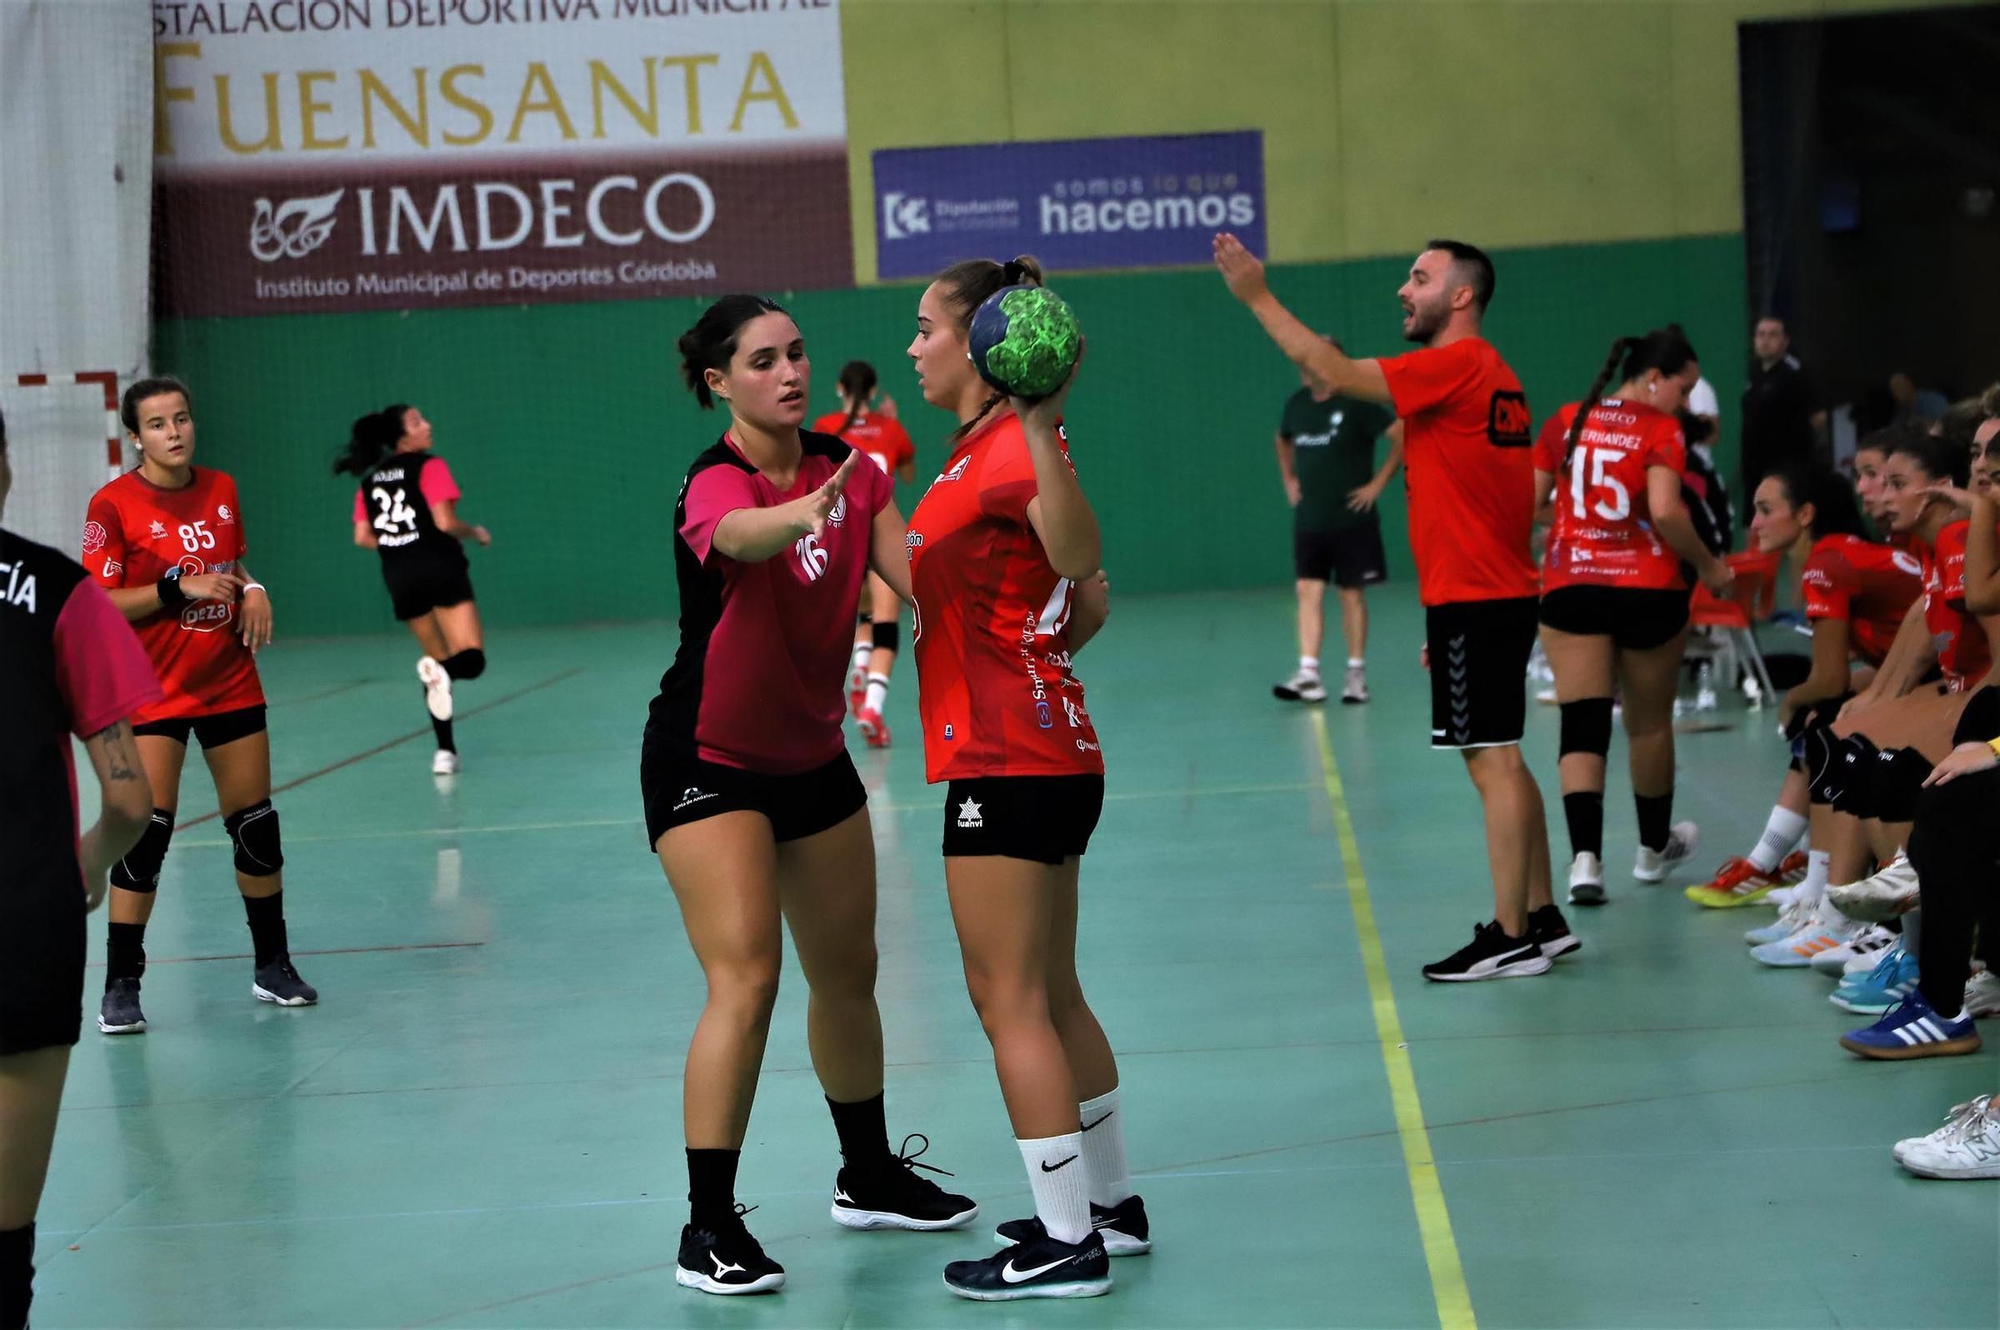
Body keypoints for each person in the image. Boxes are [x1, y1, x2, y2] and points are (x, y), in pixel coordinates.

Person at [647, 295, 977, 1297]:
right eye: (761, 360)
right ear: (718, 382)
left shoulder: (858, 470)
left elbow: (919, 574)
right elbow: (738, 536)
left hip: (811, 756)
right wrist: (797, 514)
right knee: (745, 978)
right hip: (706, 756)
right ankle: (706, 1226)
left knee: (848, 972)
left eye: (795, 354)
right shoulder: (714, 482)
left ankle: (868, 1172)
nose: (787, 372)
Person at [1215, 232, 1566, 981]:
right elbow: (1503, 496)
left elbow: (1331, 370)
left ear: (1460, 295)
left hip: (1479, 595)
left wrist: (1256, 295)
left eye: (1420, 277)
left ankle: (1510, 937)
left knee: (1492, 763)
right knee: (1505, 756)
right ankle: (1541, 914)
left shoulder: (1455, 365)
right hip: (1488, 590)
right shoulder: (1494, 373)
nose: (1404, 289)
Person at [904, 255, 1129, 1302]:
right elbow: (1076, 609)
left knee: (1007, 1001)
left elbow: (1082, 560)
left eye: (924, 328)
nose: (912, 347)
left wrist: (1041, 428)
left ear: (982, 348)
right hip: (1042, 744)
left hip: (1005, 755)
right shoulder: (969, 457)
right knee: (1050, 989)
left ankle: (1061, 1239)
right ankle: (1109, 1209)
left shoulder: (1007, 447)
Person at [83, 376, 318, 1035]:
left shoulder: (221, 488)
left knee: (256, 825)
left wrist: (255, 586)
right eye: (158, 424)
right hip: (152, 689)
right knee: (147, 833)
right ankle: (121, 984)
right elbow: (99, 602)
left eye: (182, 419)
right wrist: (171, 588)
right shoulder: (112, 505)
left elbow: (231, 567)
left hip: (228, 681)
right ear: (135, 437)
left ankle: (272, 965)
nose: (174, 432)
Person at [0, 407, 159, 1330]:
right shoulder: (57, 589)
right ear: (6, 469)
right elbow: (131, 797)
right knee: (6, 1231)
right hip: (25, 917)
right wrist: (88, 865)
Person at [1531, 329, 1734, 907]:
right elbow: (1667, 512)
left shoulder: (1567, 418)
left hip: (1573, 587)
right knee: (1647, 725)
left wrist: (1578, 521)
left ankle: (1585, 863)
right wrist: (1711, 566)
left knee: (1583, 724)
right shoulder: (1659, 429)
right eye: (1684, 387)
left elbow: (1529, 505)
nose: (1689, 401)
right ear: (1652, 376)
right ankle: (1650, 853)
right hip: (1649, 590)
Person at [1686, 458, 1917, 909]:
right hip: (1921, 674)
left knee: (1821, 722)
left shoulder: (1826, 563)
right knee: (1826, 714)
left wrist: (1789, 701)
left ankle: (1818, 889)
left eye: (1766, 509)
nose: (1755, 523)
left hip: (1954, 683)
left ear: (1805, 514)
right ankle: (1778, 865)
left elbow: (1827, 679)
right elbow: (1881, 663)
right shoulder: (1840, 552)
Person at [336, 405, 491, 776]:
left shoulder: (370, 481)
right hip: (440, 566)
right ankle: (444, 676)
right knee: (470, 660)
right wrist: (476, 532)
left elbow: (362, 537)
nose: (428, 424)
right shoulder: (430, 466)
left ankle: (445, 752)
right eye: (418, 421)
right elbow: (444, 521)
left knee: (435, 663)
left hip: (400, 575)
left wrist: (398, 544)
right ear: (403, 437)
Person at [1270, 340, 1402, 705]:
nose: (1304, 365)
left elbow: (1402, 435)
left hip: (1353, 521)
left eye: (1310, 359)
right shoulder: (1297, 403)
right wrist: (1289, 479)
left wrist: (1377, 484)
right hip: (1310, 519)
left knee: (1351, 595)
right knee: (1307, 591)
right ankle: (1309, 673)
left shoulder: (1358, 402)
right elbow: (1282, 440)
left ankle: (1355, 674)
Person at [813, 361, 916, 746]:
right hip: (880, 533)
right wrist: (891, 425)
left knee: (861, 611)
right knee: (887, 619)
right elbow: (905, 475)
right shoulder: (890, 428)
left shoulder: (823, 427)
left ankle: (857, 664)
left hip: (841, 533)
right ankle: (872, 704)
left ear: (840, 388)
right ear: (873, 392)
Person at [1739, 316, 1826, 518]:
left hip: (1785, 471)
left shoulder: (1795, 373)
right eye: (1761, 334)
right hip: (1754, 470)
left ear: (1785, 341)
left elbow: (1818, 418)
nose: (1765, 340)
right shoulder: (1755, 374)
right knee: (1754, 525)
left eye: (1773, 334)